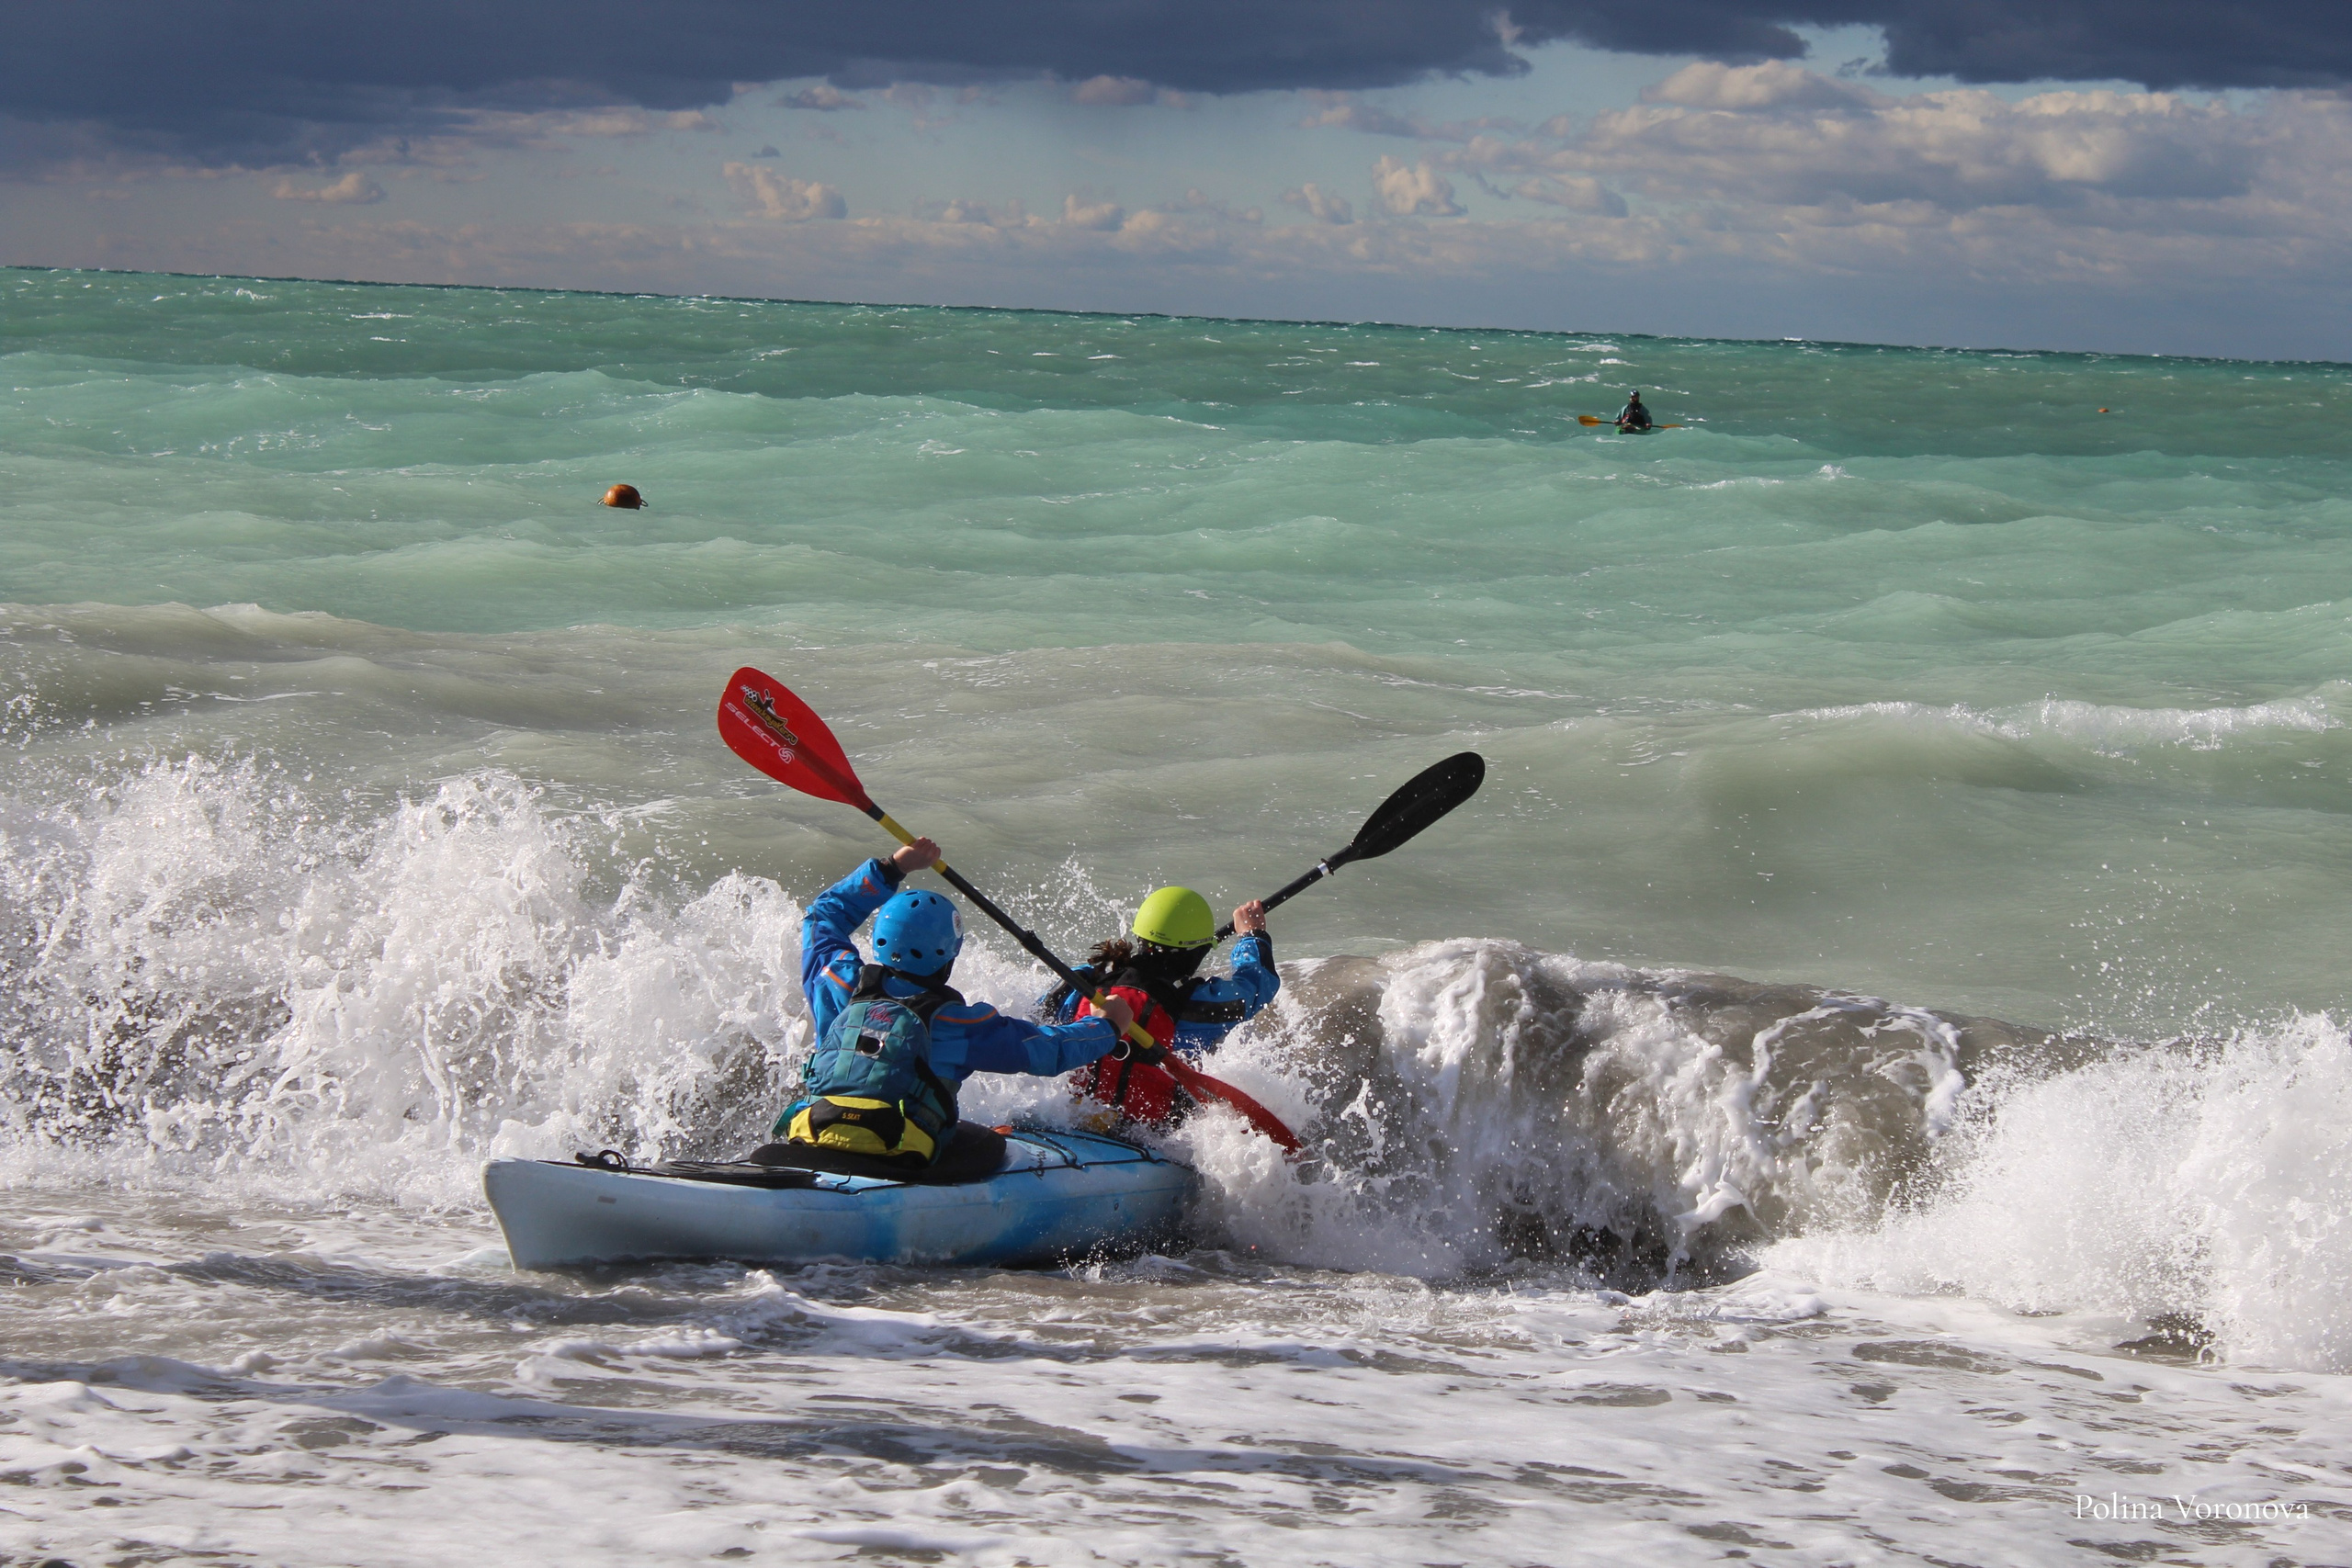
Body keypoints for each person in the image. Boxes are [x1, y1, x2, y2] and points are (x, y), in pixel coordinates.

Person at [760, 837, 1142, 1179]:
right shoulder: (957, 1022)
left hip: (814, 1134)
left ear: (877, 940)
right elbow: (1048, 1050)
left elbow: (822, 916)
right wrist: (1107, 1027)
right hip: (902, 1155)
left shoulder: (838, 982)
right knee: (988, 1144)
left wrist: (893, 867)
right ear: (949, 955)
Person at [1038, 886, 1279, 1129]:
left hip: (1067, 1118)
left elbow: (1039, 1015)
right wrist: (1252, 936)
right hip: (1150, 1136)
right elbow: (1257, 988)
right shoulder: (1190, 1004)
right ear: (1196, 953)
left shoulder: (1086, 983)